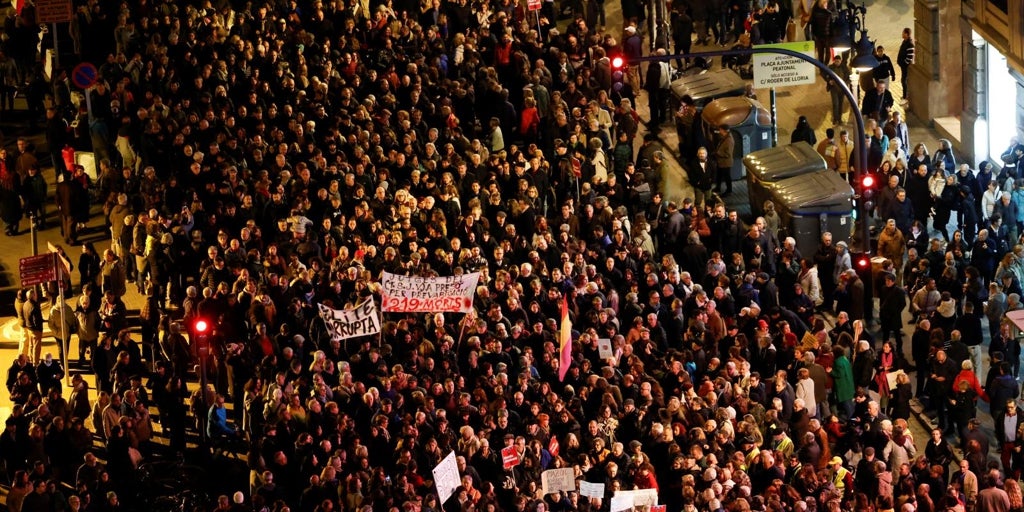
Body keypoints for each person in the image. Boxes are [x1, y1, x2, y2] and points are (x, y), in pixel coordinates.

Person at [713, 124, 735, 196]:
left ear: (723, 130)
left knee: (727, 177)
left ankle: (729, 191)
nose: (719, 131)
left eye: (720, 129)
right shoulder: (725, 137)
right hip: (721, 162)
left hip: (725, 162)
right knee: (719, 175)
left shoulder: (729, 140)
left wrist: (718, 153)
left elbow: (728, 154)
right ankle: (718, 187)